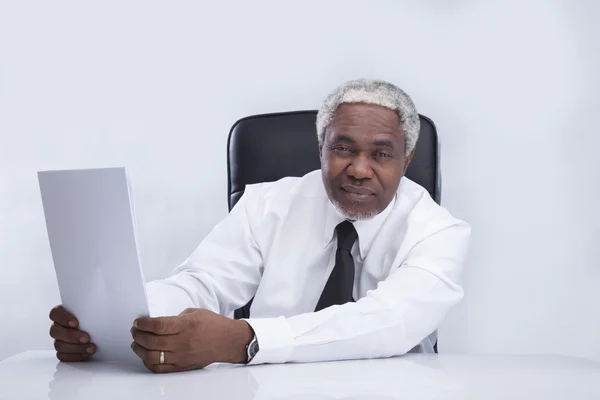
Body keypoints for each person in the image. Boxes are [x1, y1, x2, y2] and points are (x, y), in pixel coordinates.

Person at [48, 78, 471, 373]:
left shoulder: (439, 232)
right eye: (343, 148)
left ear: (407, 160)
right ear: (320, 149)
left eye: (381, 154)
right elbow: (202, 285)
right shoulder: (266, 205)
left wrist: (243, 339)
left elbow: (391, 321)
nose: (359, 169)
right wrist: (119, 321)